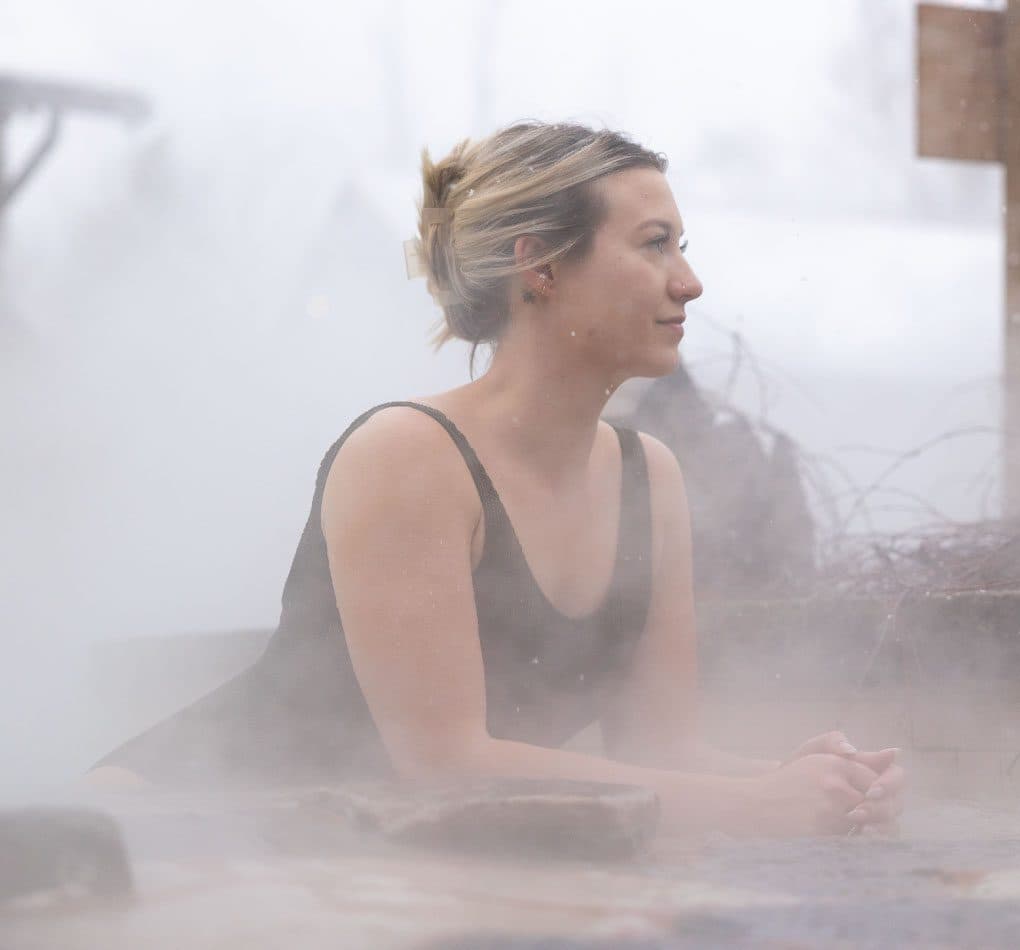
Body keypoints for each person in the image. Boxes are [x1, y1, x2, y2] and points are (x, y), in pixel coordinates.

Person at [89, 121, 904, 836]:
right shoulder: (408, 454)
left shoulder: (645, 476)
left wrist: (799, 781)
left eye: (681, 250)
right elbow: (445, 764)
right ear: (539, 268)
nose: (687, 283)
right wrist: (754, 807)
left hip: (363, 852)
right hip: (182, 831)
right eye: (654, 244)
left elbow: (659, 752)